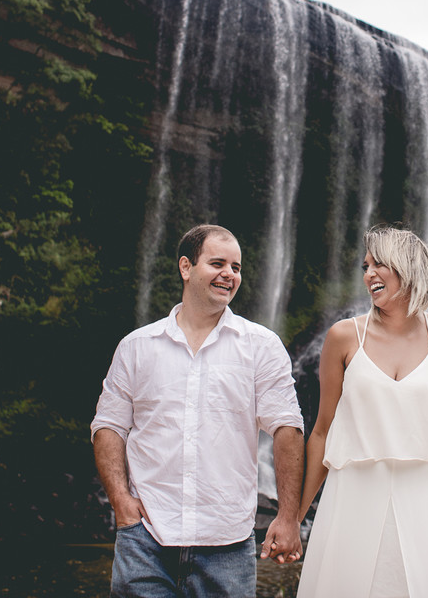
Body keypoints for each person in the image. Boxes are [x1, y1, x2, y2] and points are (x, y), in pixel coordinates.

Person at [91, 224, 305, 598]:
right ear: (186, 267)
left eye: (236, 268)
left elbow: (288, 428)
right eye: (218, 263)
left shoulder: (262, 347)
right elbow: (109, 426)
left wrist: (288, 517)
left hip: (228, 540)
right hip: (146, 538)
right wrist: (122, 503)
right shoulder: (137, 347)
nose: (229, 274)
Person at [296, 225, 428, 598]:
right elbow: (322, 432)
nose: (369, 275)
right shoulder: (342, 337)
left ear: (408, 266)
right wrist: (293, 518)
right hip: (352, 497)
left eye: (379, 264)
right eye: (365, 267)